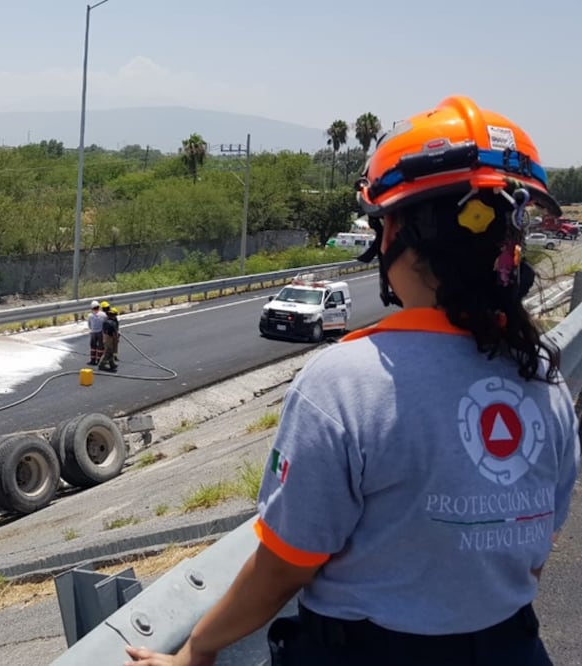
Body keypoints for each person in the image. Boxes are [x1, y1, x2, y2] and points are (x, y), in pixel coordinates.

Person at [125, 95, 580, 666]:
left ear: (392, 232)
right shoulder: (544, 378)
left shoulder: (346, 383)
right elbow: (533, 553)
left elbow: (287, 564)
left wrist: (197, 648)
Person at [98, 306, 120, 372]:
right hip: (110, 339)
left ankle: (112, 364)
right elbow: (114, 335)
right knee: (108, 352)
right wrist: (116, 341)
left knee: (109, 352)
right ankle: (101, 365)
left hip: (105, 337)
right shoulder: (113, 323)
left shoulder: (105, 322)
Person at [87, 300, 106, 365]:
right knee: (100, 347)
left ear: (92, 308)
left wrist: (92, 329)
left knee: (93, 347)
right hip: (101, 332)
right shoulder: (103, 314)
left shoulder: (90, 315)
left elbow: (89, 325)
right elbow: (105, 323)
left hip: (93, 333)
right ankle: (99, 360)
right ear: (99, 306)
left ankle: (92, 360)